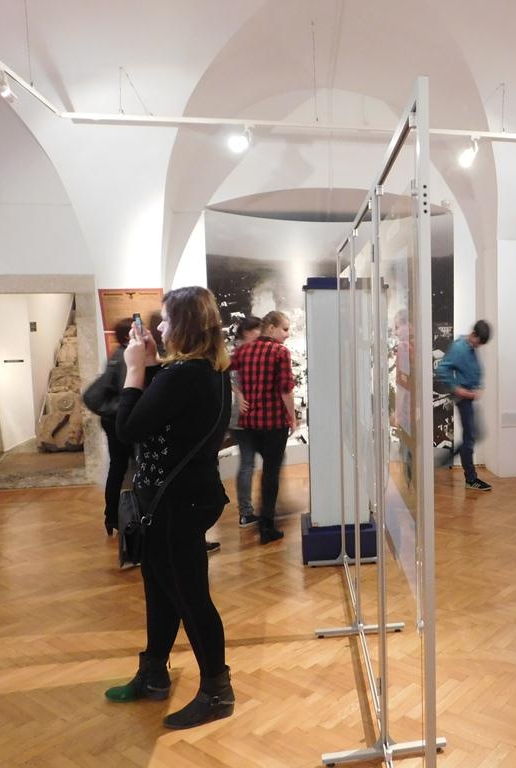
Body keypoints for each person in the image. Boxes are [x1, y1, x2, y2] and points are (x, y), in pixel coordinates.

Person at [106, 286, 234, 730]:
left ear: (184, 325)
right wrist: (153, 363)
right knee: (161, 590)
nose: (159, 327)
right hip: (185, 497)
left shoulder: (184, 376)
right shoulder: (208, 370)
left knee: (190, 597)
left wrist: (134, 370)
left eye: (165, 320)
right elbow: (173, 405)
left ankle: (217, 692)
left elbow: (128, 428)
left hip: (175, 503)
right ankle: (153, 672)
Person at [230, 310, 296, 542]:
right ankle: (267, 526)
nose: (287, 334)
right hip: (273, 422)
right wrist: (292, 418)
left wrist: (239, 394)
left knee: (252, 466)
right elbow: (286, 389)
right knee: (271, 472)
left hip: (250, 423)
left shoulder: (243, 350)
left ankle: (256, 515)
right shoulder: (280, 352)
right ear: (271, 328)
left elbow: (225, 371)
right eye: (285, 329)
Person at [84, 317, 132, 536]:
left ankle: (111, 517)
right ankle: (120, 516)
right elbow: (128, 392)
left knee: (117, 467)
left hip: (112, 419)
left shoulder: (117, 354)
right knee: (124, 468)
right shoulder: (126, 356)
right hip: (120, 419)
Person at [436, 320, 493, 491]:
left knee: (475, 435)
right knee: (470, 438)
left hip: (470, 398)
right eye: (478, 343)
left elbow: (472, 369)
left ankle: (451, 460)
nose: (479, 346)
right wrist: (458, 389)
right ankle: (470, 478)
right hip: (464, 400)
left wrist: (478, 386)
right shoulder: (459, 348)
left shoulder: (469, 347)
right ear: (473, 334)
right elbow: (442, 369)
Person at [229, 316, 264, 527]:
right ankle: (246, 511)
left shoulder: (240, 350)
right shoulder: (239, 352)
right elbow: (232, 378)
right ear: (248, 332)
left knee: (248, 463)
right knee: (248, 463)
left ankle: (247, 511)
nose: (260, 333)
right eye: (257, 329)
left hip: (245, 416)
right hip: (243, 417)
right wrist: (240, 395)